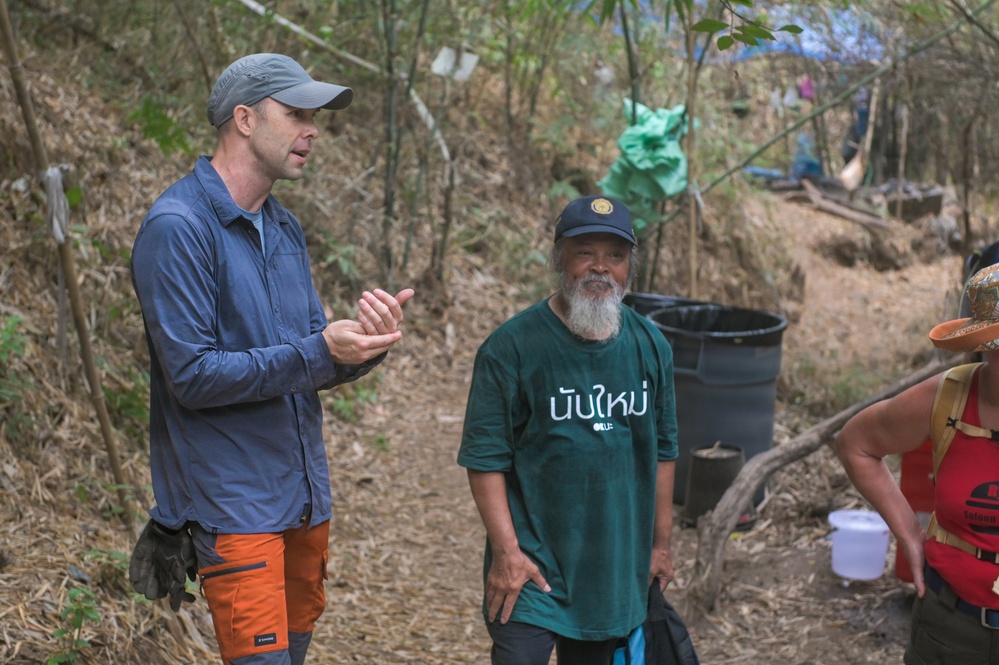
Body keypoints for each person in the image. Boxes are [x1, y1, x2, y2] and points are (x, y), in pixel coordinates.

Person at [128, 52, 414, 665]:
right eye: (297, 114)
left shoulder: (282, 226)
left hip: (304, 496)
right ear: (245, 120)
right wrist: (319, 350)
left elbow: (309, 356)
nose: (313, 130)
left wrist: (363, 347)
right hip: (235, 505)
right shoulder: (178, 227)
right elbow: (192, 377)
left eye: (315, 117)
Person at [457, 194, 679, 665]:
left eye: (615, 255)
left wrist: (660, 547)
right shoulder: (512, 347)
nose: (600, 268)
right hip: (530, 568)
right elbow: (485, 458)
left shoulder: (651, 346)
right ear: (559, 258)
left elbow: (663, 451)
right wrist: (507, 553)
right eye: (585, 253)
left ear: (630, 266)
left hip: (612, 574)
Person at [835, 263, 999, 664]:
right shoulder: (949, 398)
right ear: (983, 346)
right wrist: (909, 532)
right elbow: (856, 444)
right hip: (952, 627)